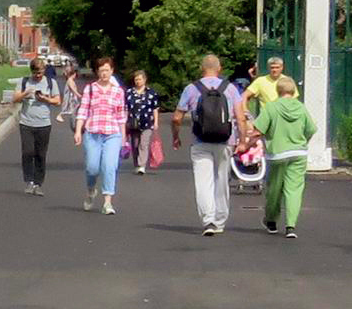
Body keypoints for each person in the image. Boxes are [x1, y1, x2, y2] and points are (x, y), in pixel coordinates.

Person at [175, 52, 243, 235]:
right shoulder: (230, 88)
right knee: (222, 181)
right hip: (225, 140)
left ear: (201, 69)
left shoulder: (191, 89)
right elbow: (240, 116)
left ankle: (208, 221)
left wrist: (176, 136)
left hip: (200, 141)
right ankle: (220, 220)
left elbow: (177, 117)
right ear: (219, 68)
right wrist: (242, 140)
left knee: (203, 182)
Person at [254, 74, 317, 238]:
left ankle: (271, 221)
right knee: (294, 190)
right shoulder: (301, 108)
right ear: (294, 90)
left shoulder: (271, 107)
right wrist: (302, 142)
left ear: (277, 90)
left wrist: (247, 143)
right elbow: (311, 129)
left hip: (277, 154)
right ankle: (291, 226)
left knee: (274, 189)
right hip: (298, 152)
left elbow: (259, 129)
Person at [74, 56, 128, 215]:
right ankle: (91, 190)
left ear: (112, 71)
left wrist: (123, 137)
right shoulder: (90, 89)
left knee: (110, 166)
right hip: (92, 133)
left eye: (107, 70)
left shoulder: (118, 92)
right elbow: (83, 111)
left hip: (112, 134)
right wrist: (78, 131)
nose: (104, 73)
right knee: (92, 168)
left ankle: (107, 203)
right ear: (97, 72)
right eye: (101, 70)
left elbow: (121, 116)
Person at [15, 60, 60, 194]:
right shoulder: (24, 82)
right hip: (26, 123)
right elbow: (15, 98)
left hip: (44, 124)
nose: (38, 76)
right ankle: (28, 181)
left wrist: (46, 99)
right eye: (35, 73)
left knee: (41, 154)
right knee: (27, 152)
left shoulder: (51, 83)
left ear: (44, 70)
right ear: (31, 71)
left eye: (40, 73)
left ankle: (38, 183)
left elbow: (58, 101)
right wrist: (25, 94)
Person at [124, 69, 164, 173]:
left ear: (145, 80)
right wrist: (124, 122)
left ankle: (142, 165)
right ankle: (137, 164)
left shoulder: (151, 93)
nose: (138, 81)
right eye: (136, 79)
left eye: (140, 79)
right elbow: (126, 108)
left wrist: (156, 122)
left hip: (147, 123)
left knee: (144, 144)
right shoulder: (129, 93)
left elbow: (155, 108)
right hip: (133, 123)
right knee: (135, 145)